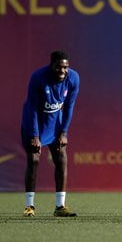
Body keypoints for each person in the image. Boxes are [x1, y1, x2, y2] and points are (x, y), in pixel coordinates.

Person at [21, 50, 80, 217]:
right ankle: (29, 206)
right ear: (51, 65)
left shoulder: (73, 78)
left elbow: (69, 107)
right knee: (33, 159)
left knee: (61, 159)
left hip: (55, 124)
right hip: (34, 124)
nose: (62, 71)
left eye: (65, 67)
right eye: (58, 67)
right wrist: (34, 135)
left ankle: (60, 206)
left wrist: (64, 132)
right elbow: (32, 107)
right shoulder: (38, 77)